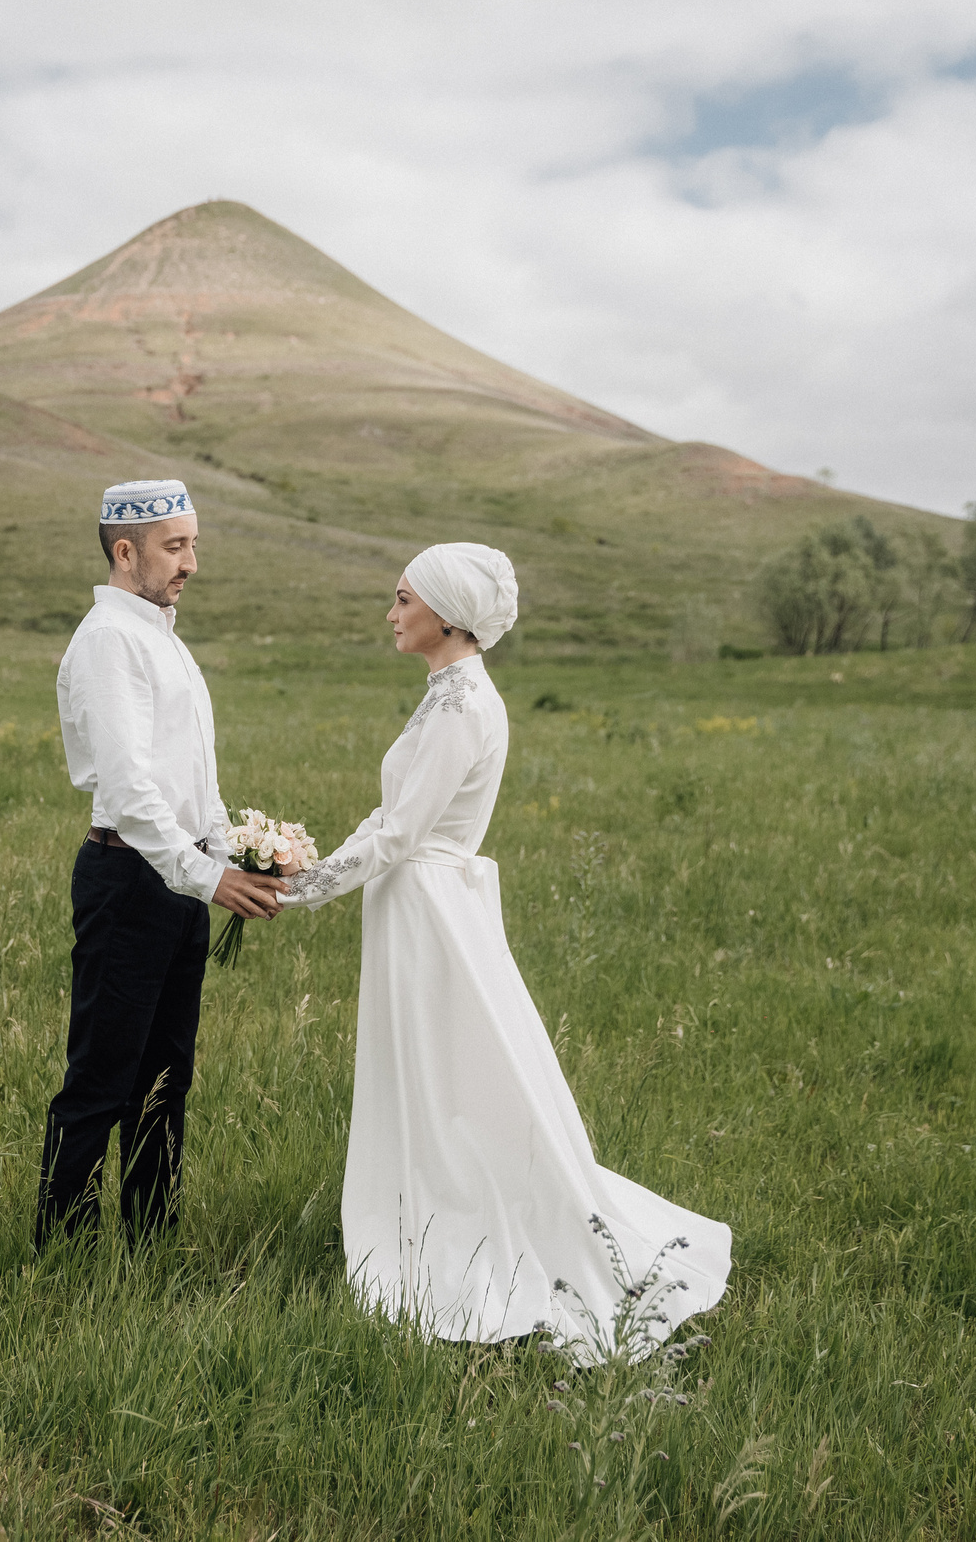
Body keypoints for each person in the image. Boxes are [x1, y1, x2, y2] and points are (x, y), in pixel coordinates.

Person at [280, 544, 730, 1360]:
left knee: (448, 1077)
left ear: (447, 616)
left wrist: (298, 886)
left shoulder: (462, 706)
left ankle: (460, 1228)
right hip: (417, 901)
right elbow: (393, 823)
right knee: (435, 1074)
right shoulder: (448, 692)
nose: (390, 612)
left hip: (429, 909)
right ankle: (432, 1201)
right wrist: (307, 870)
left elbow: (401, 831)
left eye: (402, 598)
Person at [39, 479, 285, 1247]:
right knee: (103, 1079)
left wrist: (233, 851)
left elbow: (190, 778)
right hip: (129, 878)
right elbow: (130, 787)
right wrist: (209, 874)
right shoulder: (110, 638)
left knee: (165, 1078)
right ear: (126, 550)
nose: (192, 562)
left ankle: (150, 1242)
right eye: (176, 546)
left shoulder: (160, 636)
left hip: (177, 883)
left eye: (194, 544)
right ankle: (65, 1253)